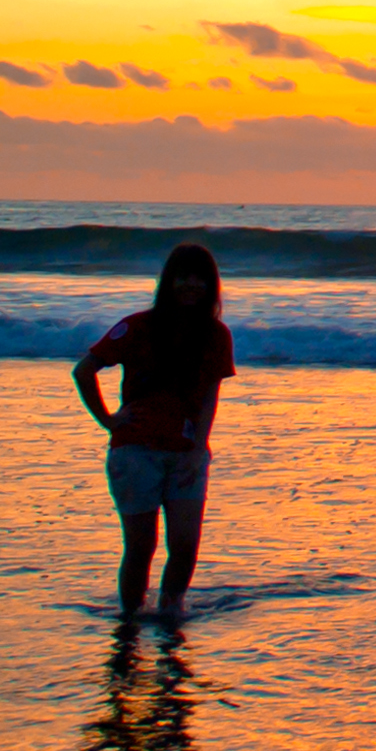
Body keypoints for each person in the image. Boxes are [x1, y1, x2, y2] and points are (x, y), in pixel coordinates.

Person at [74, 240, 233, 623]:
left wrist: (200, 447)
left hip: (186, 451)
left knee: (185, 546)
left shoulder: (215, 335)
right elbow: (84, 371)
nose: (191, 286)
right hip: (136, 451)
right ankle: (130, 622)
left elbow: (210, 394)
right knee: (141, 546)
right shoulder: (137, 326)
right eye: (183, 278)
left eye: (200, 279)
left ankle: (170, 613)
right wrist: (108, 420)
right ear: (169, 281)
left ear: (211, 286)